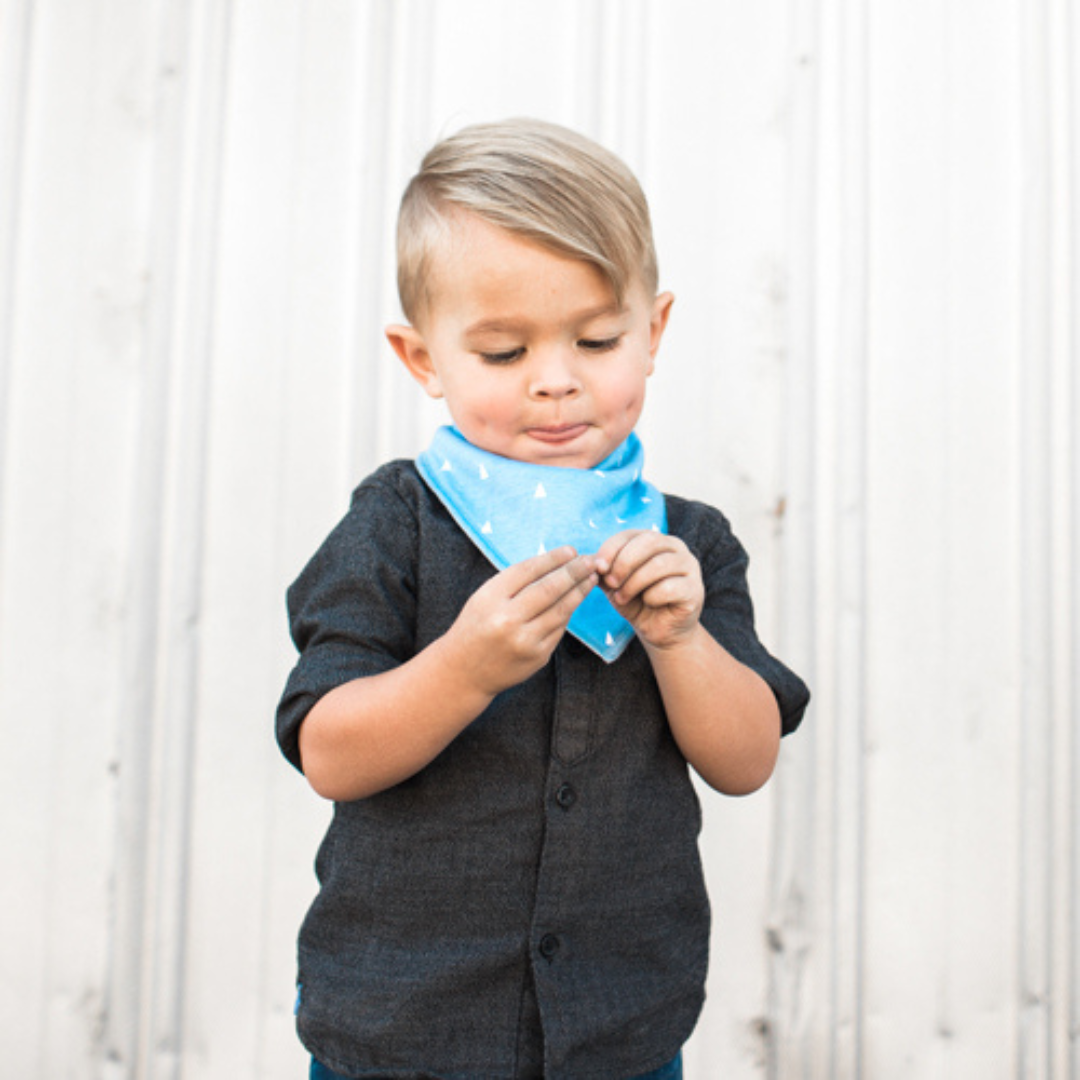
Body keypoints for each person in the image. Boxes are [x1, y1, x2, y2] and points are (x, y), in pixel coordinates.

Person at [276, 118, 809, 1080]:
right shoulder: (396, 524)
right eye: (502, 353)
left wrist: (682, 643)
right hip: (402, 1031)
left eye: (597, 338)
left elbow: (746, 759)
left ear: (654, 333)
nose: (556, 381)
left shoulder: (686, 543)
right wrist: (464, 667)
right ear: (422, 359)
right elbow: (329, 753)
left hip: (620, 1029)